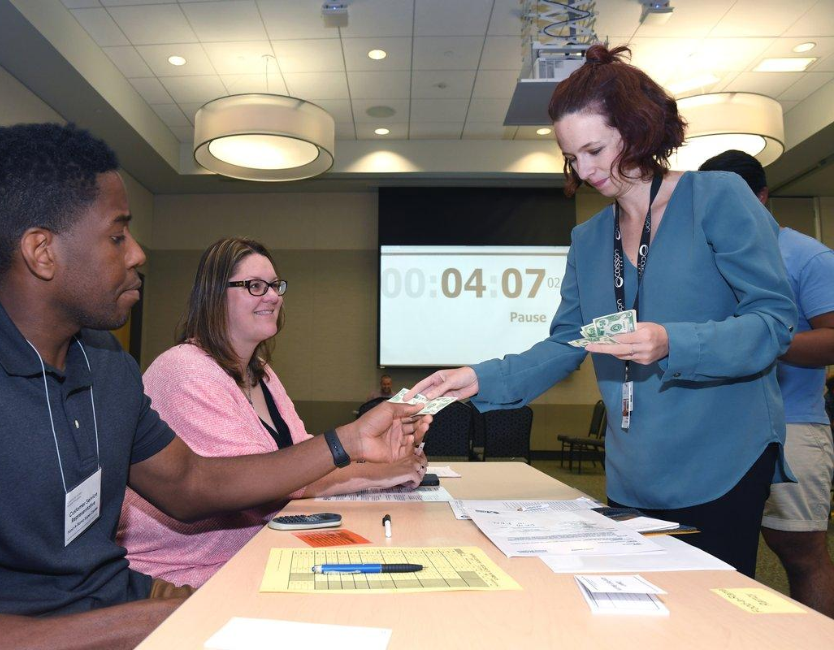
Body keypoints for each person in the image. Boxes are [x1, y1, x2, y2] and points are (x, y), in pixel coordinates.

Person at [0, 123, 428, 649]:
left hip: (124, 607)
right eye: (117, 236)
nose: (138, 254)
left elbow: (192, 482)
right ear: (42, 251)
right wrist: (155, 622)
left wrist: (347, 441)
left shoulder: (104, 360)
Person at [409, 44, 798, 578]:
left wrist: (672, 342)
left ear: (638, 130)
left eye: (594, 150)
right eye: (572, 157)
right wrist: (480, 376)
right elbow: (569, 341)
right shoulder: (589, 239)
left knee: (711, 613)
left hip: (721, 457)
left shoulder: (717, 197)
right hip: (632, 466)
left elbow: (773, 323)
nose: (584, 170)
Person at [118, 238, 426, 588]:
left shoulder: (260, 370)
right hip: (183, 573)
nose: (273, 296)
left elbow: (301, 457)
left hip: (254, 551)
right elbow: (266, 482)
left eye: (275, 285)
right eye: (254, 286)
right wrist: (378, 472)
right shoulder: (184, 370)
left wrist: (380, 460)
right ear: (214, 295)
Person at [699, 149, 834, 617]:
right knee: (714, 557)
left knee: (800, 553)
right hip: (718, 428)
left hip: (791, 426)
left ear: (762, 196)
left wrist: (758, 339)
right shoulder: (705, 257)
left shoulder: (807, 256)